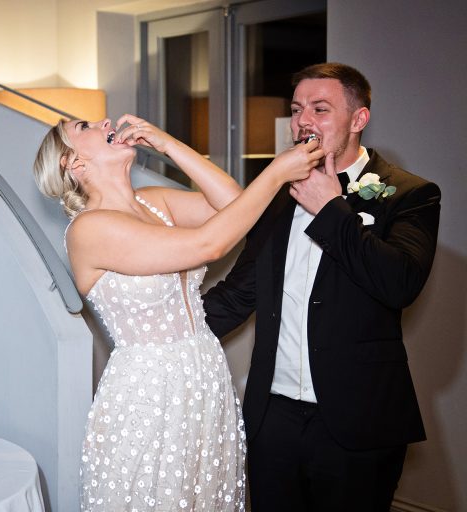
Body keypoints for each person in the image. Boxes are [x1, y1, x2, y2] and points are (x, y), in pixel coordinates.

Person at [33, 113, 323, 511]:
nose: (103, 121)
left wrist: (168, 145)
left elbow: (233, 203)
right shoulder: (89, 229)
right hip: (149, 393)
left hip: (205, 378)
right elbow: (210, 245)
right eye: (84, 127)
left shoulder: (153, 202)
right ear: (74, 163)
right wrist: (276, 172)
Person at [202, 62, 441, 512]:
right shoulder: (275, 194)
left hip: (358, 423)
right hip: (273, 419)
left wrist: (331, 208)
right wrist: (164, 333)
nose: (303, 121)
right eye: (296, 110)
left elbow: (400, 284)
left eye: (320, 108)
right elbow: (239, 294)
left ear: (358, 119)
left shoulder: (411, 194)